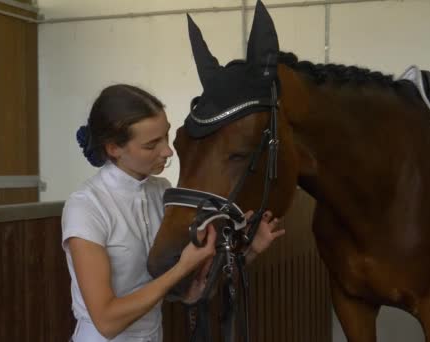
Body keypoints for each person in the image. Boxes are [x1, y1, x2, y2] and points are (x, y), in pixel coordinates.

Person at [62, 84, 285, 342]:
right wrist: (182, 268)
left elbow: (191, 293)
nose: (167, 151)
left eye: (166, 136)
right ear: (114, 148)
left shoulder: (163, 192)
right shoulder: (86, 207)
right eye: (151, 145)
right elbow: (107, 321)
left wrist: (248, 251)